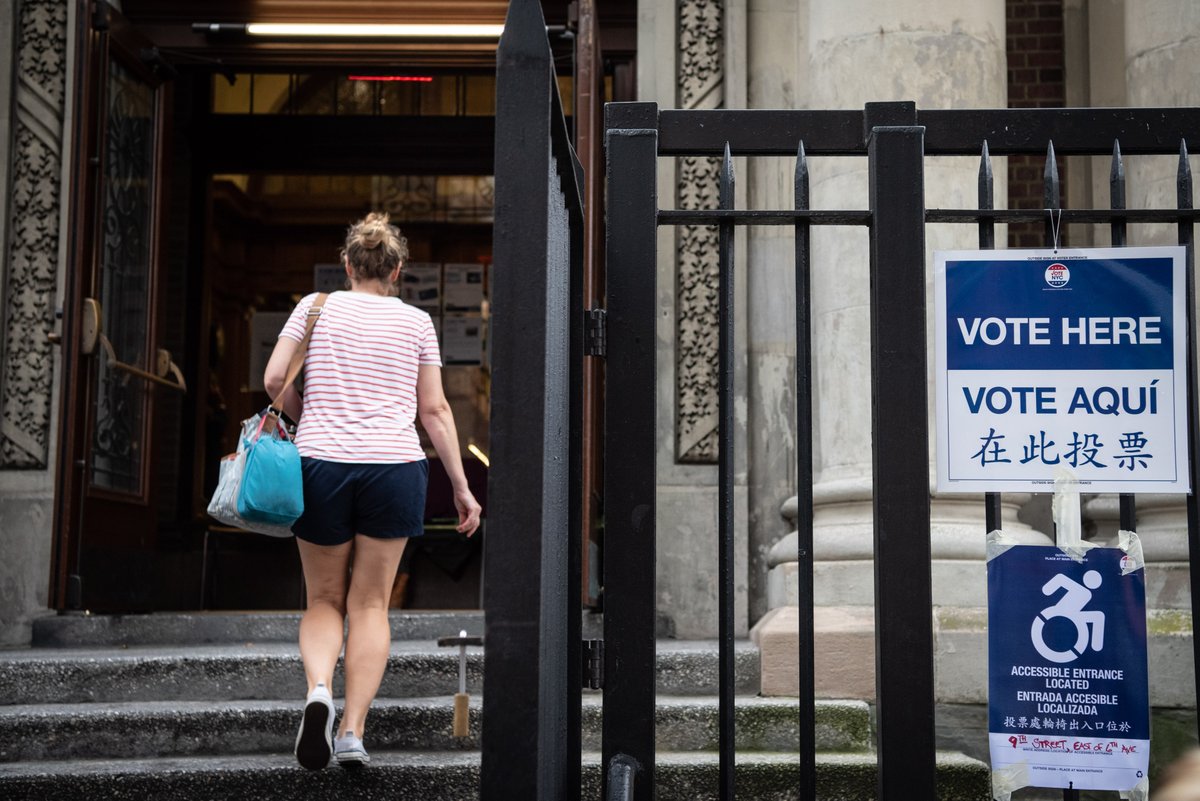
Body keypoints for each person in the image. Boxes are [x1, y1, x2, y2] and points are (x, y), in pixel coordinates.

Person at [264, 212, 482, 770]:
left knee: (323, 600)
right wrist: (460, 486)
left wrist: (305, 414)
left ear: (346, 265)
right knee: (370, 604)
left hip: (321, 465)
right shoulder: (416, 321)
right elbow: (433, 410)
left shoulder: (314, 307)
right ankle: (353, 731)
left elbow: (272, 381)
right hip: (393, 467)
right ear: (398, 270)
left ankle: (318, 691)